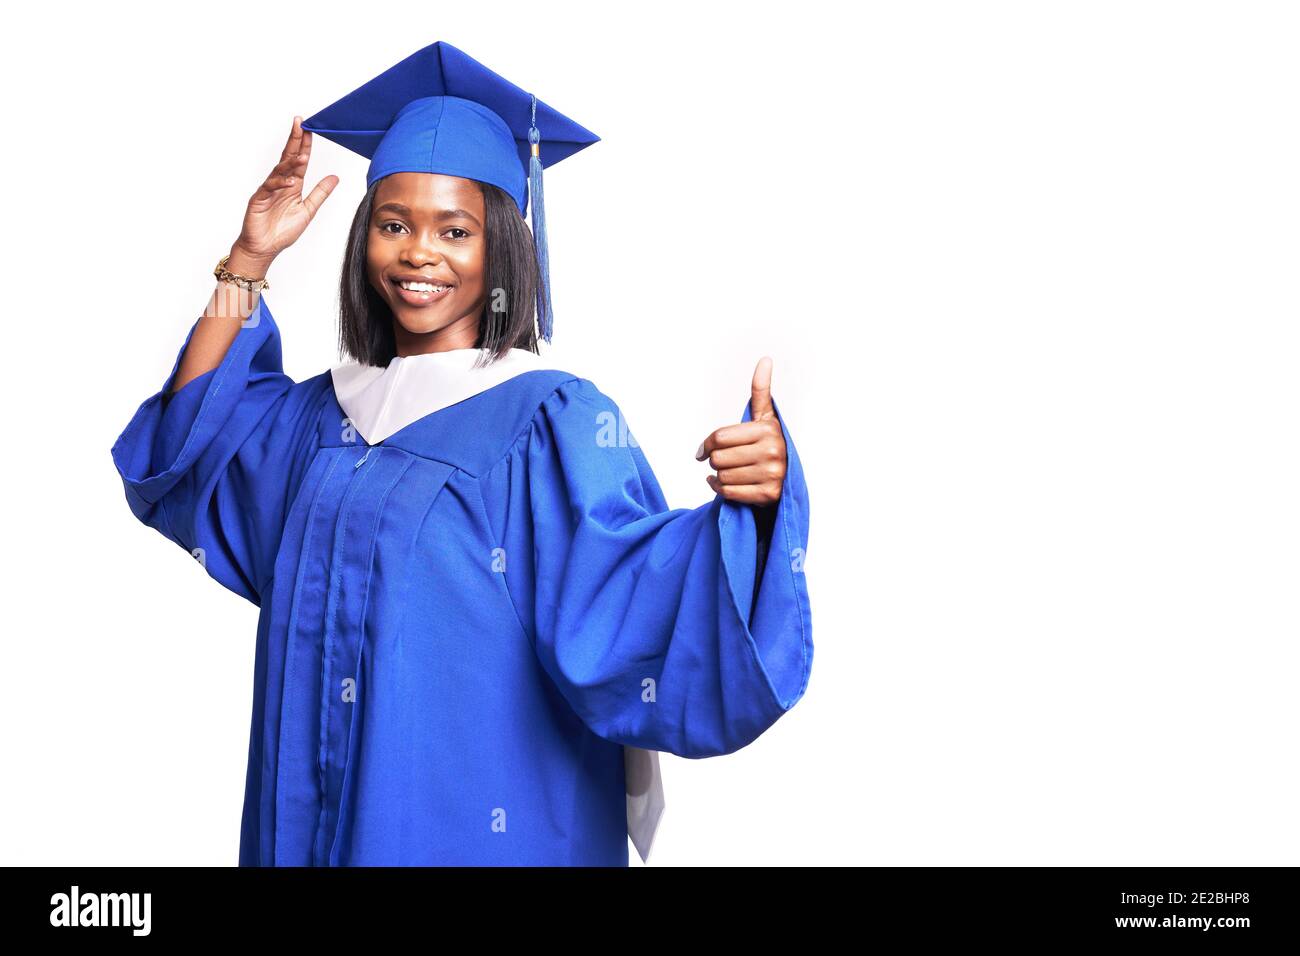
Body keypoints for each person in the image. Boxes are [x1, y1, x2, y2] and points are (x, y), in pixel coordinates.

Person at [110, 40, 813, 866]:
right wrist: (248, 263)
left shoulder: (547, 419)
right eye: (394, 224)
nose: (418, 253)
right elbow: (194, 453)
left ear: (504, 247)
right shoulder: (321, 420)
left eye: (455, 229)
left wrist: (754, 515)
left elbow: (634, 597)